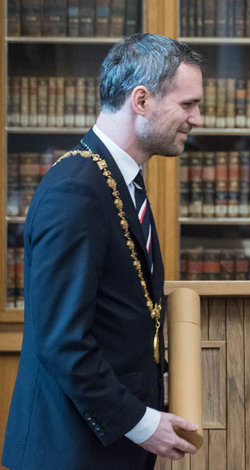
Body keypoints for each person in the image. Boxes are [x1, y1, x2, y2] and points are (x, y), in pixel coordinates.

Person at [3, 33, 204, 469]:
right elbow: (62, 339)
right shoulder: (78, 187)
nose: (198, 119)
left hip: (102, 447)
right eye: (188, 104)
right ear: (141, 100)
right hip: (70, 450)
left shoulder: (115, 177)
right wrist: (141, 422)